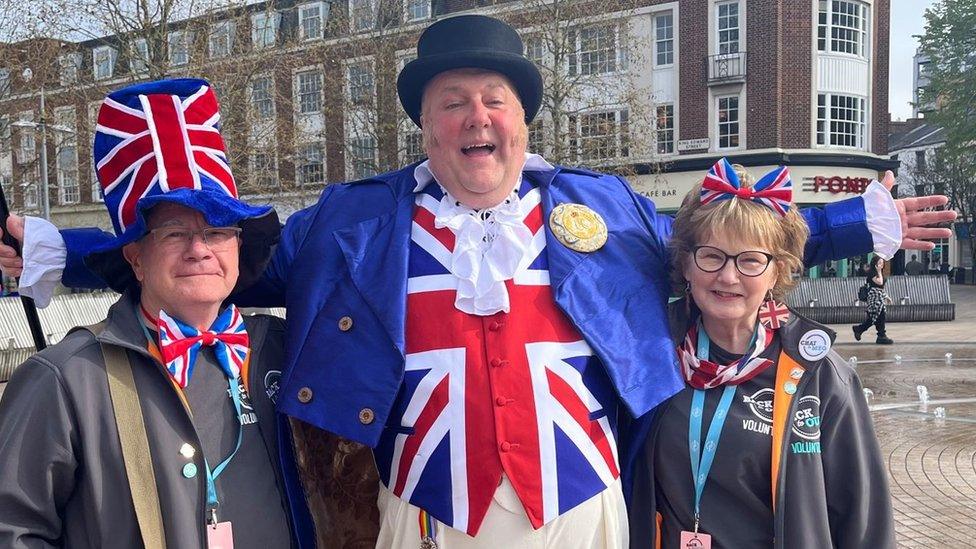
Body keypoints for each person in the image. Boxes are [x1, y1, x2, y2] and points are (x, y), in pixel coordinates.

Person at [0, 15, 954, 548]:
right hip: (427, 508)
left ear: (521, 119)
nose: (476, 116)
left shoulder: (602, 207)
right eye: (453, 102)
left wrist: (845, 226)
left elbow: (714, 241)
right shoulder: (354, 220)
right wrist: (60, 250)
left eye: (493, 99)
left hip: (581, 504)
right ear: (428, 125)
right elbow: (213, 256)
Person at [0, 79, 300, 548]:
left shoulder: (283, 349)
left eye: (218, 230)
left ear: (240, 246)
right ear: (134, 258)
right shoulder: (64, 379)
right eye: (173, 233)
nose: (200, 250)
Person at [628, 161, 895, 548]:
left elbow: (863, 520)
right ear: (686, 263)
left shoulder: (818, 376)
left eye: (750, 260)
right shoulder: (646, 356)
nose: (728, 276)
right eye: (711, 255)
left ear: (777, 272)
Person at [853, 255, 893, 345]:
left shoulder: (880, 273)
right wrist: (879, 271)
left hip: (880, 296)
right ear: (874, 264)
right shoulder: (872, 273)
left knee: (879, 317)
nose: (881, 265)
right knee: (876, 316)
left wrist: (886, 296)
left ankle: (880, 335)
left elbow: (881, 287)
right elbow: (879, 282)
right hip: (874, 297)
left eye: (882, 263)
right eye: (879, 263)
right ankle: (878, 334)